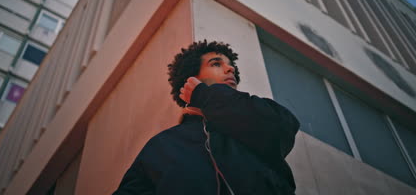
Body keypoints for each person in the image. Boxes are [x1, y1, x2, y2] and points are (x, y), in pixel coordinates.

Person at [113, 40, 300, 195]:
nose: (230, 69)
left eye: (231, 65)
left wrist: (206, 96)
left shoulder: (258, 117)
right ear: (190, 79)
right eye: (216, 63)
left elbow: (283, 129)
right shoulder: (162, 145)